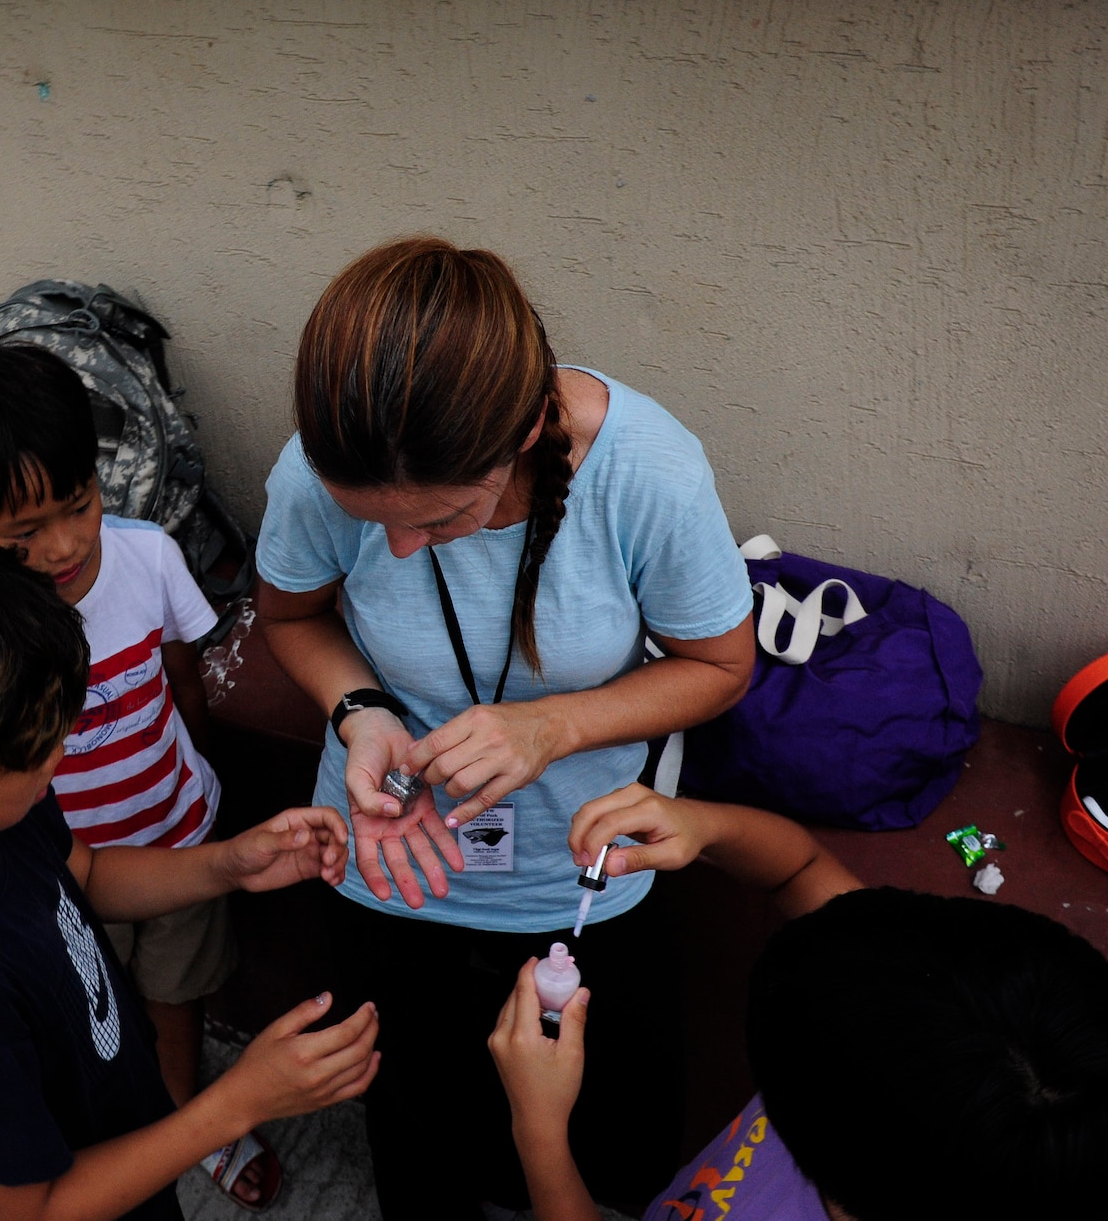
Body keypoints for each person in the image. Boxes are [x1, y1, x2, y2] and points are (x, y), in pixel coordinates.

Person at [254, 237, 758, 1216]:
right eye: (373, 521)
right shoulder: (314, 471)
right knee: (417, 1122)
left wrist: (551, 727)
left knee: (603, 1130)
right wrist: (360, 714)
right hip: (388, 858)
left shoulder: (645, 473)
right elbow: (291, 615)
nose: (398, 548)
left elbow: (719, 665)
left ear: (525, 430)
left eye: (438, 521)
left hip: (586, 870)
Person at [0, 525, 380, 1221]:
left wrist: (226, 865)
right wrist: (238, 1102)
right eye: (35, 753)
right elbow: (29, 1211)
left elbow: (82, 874)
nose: (57, 759)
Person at [0, 346, 280, 1205]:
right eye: (24, 532)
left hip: (180, 834)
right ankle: (126, 1132)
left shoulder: (147, 555)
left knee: (178, 989)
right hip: (65, 878)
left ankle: (183, 1108)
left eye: (78, 504)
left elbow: (182, 674)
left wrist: (199, 773)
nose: (66, 544)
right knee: (91, 1017)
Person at [491, 788, 1108, 1221]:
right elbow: (800, 871)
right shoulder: (899, 1051)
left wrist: (540, 1130)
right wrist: (701, 823)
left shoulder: (868, 1066)